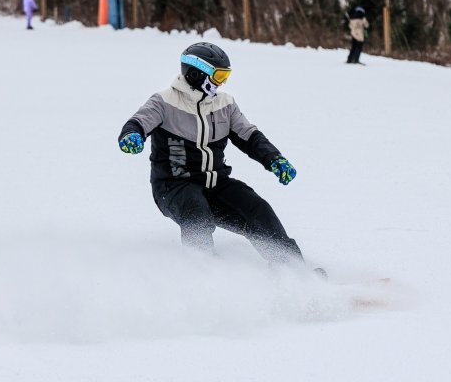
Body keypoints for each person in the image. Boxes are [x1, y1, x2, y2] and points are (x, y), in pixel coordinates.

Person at [118, 42, 311, 268]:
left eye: (225, 77)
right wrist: (132, 135)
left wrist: (274, 159)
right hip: (174, 185)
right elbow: (138, 122)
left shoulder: (225, 105)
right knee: (196, 213)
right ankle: (204, 274)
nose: (221, 83)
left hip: (216, 183)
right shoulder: (164, 102)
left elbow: (250, 136)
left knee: (256, 209)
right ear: (196, 74)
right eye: (218, 76)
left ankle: (292, 268)